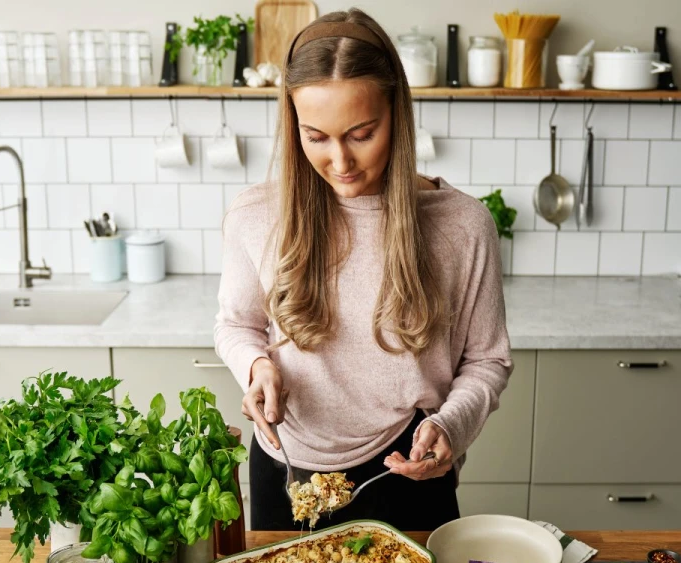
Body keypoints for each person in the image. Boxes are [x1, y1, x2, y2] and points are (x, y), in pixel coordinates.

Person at [214, 7, 513, 531]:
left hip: (408, 474)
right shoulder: (254, 215)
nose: (340, 161)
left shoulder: (463, 226)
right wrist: (256, 367)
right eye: (316, 137)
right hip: (284, 467)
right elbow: (236, 325)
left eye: (361, 133)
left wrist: (451, 426)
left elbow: (487, 361)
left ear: (397, 113)